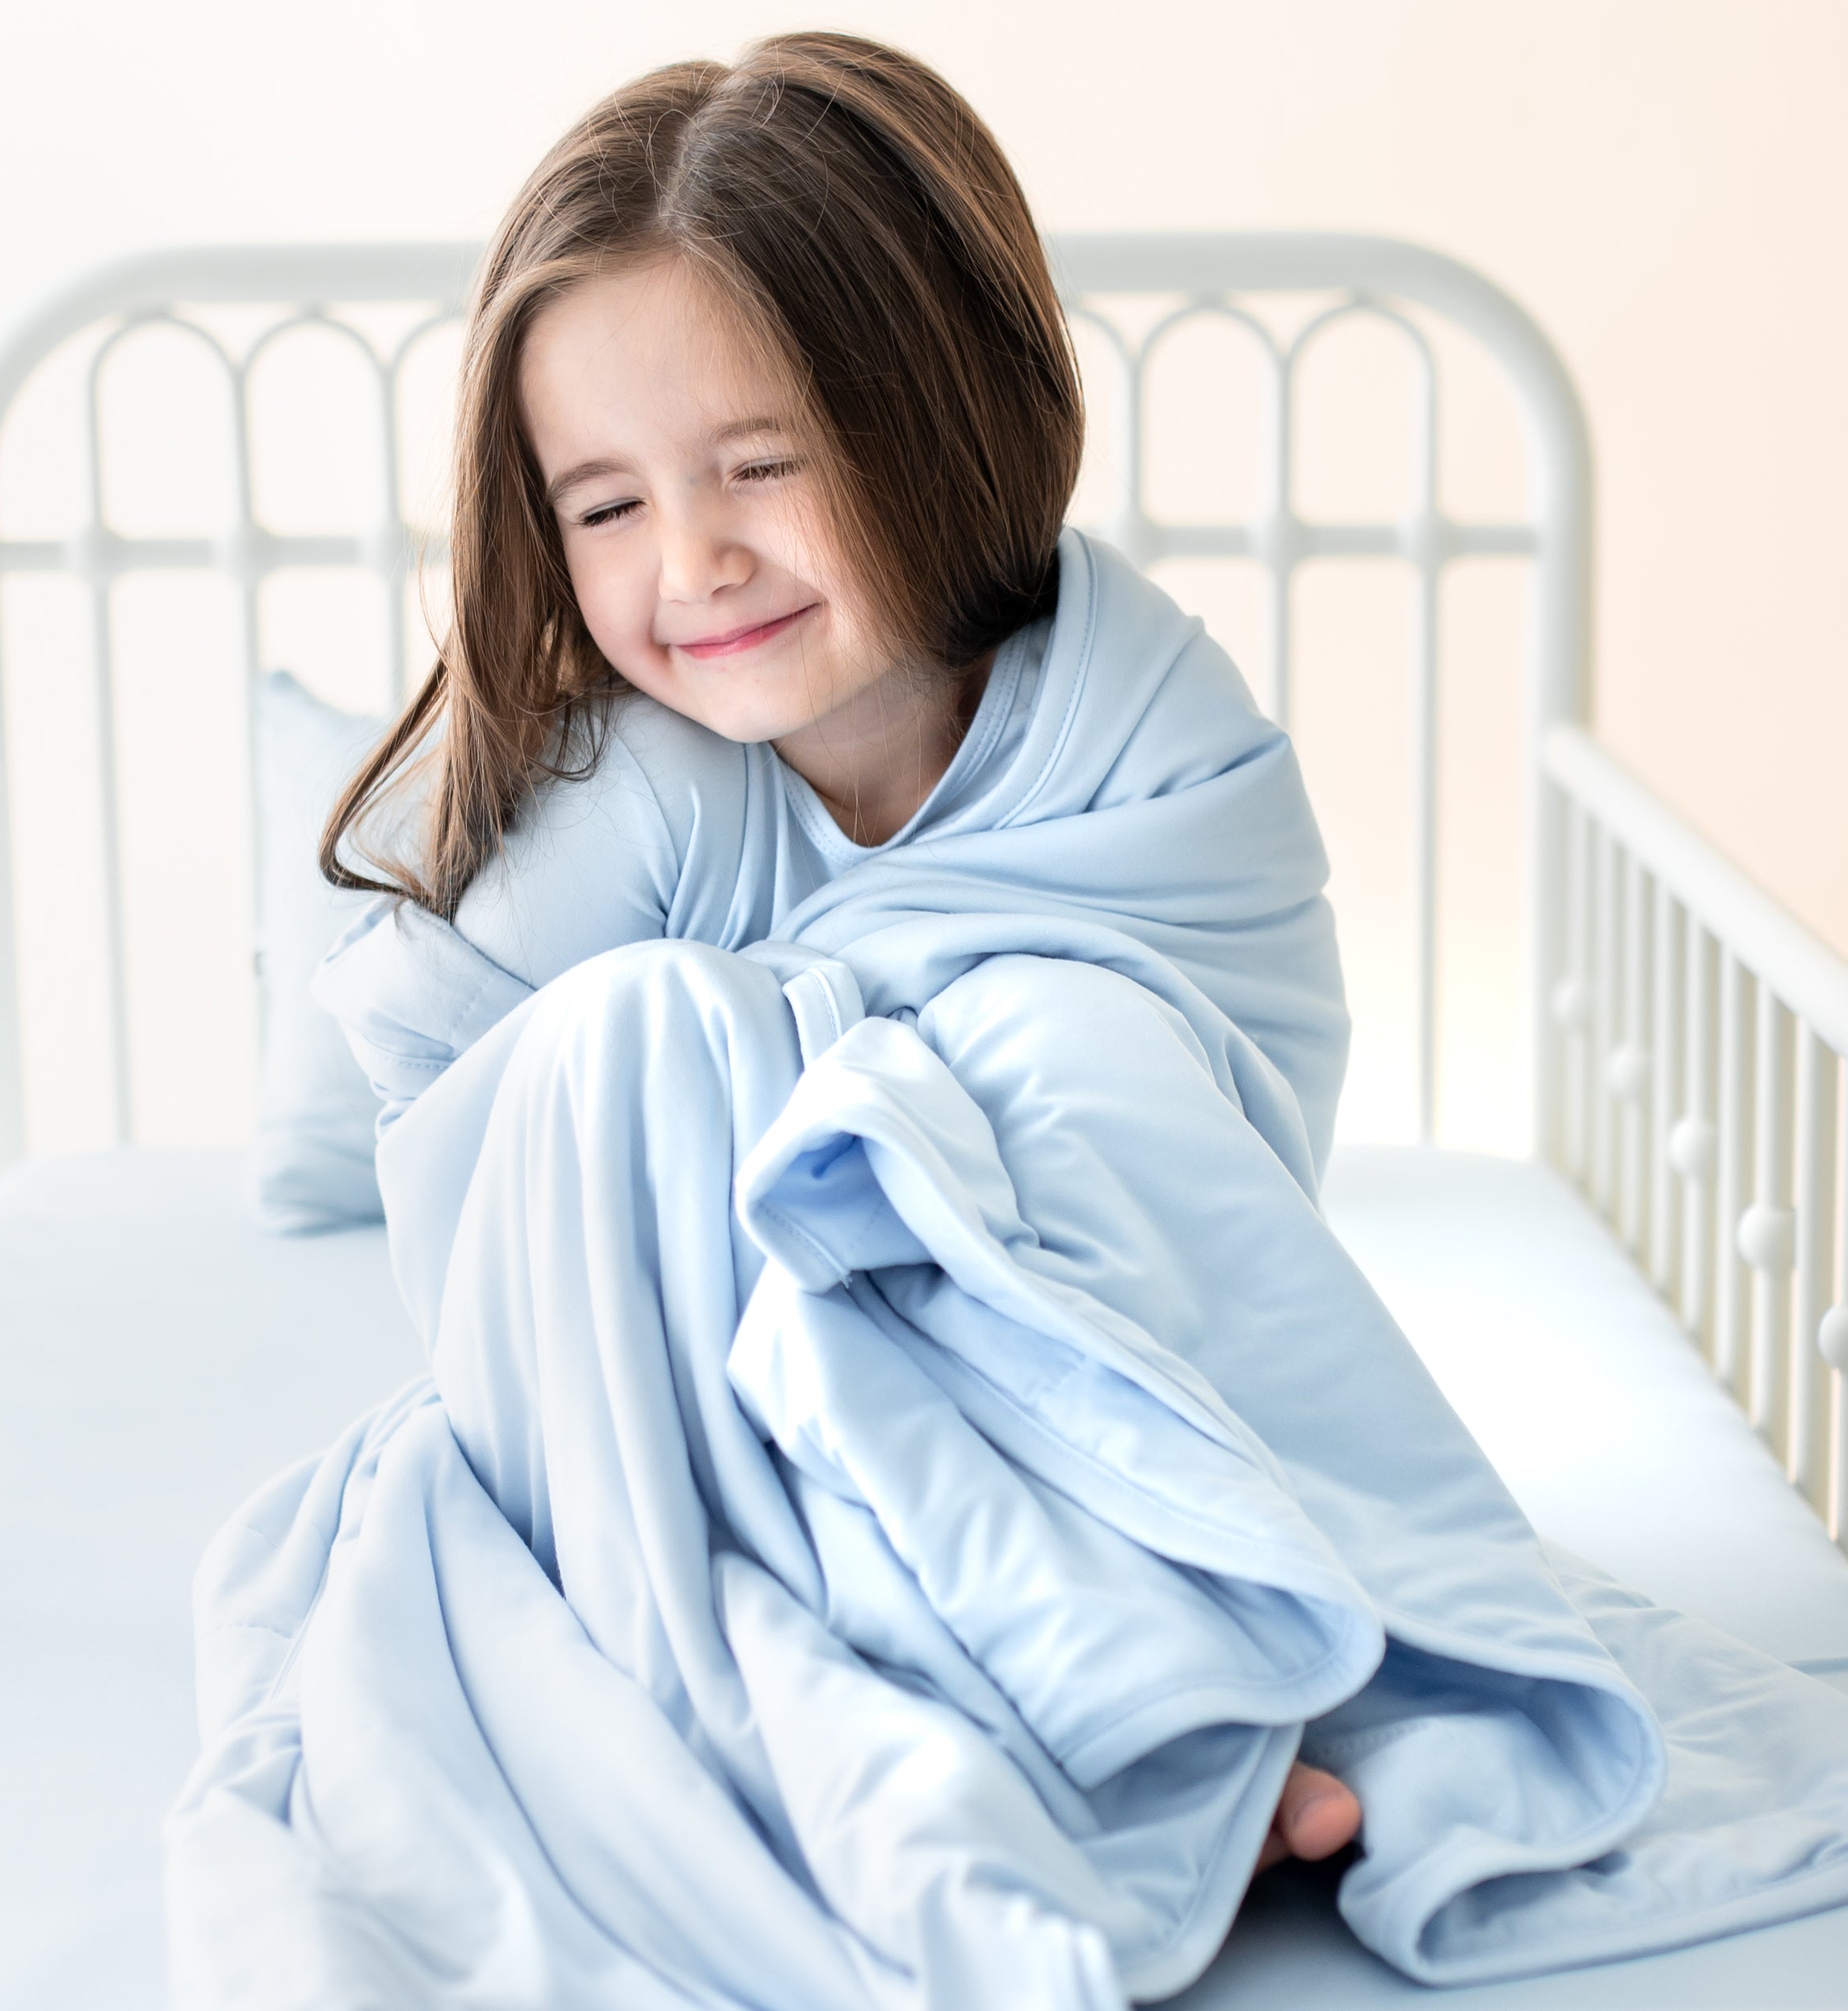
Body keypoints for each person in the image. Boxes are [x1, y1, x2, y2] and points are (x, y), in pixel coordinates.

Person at [320, 30, 1361, 1899]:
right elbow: (472, 1146)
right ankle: (972, 1715)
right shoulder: (639, 791)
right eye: (607, 504)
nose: (696, 563)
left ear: (942, 415)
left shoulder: (1138, 727)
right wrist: (794, 1071)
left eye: (761, 465)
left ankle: (1161, 1665)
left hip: (1058, 1380)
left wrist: (937, 1108)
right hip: (698, 1396)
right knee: (652, 1037)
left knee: (1061, 1054)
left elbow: (1233, 1147)